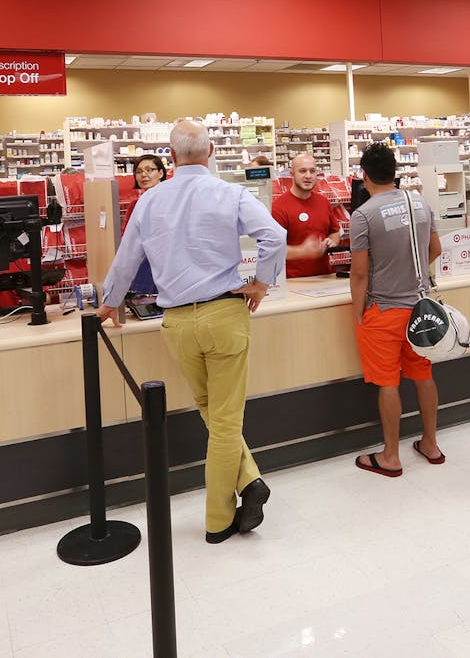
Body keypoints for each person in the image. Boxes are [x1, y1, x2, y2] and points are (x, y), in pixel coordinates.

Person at [99, 120, 285, 544]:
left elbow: (126, 258)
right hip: (225, 316)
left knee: (208, 409)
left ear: (170, 156)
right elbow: (274, 236)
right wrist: (261, 281)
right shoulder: (230, 192)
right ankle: (219, 520)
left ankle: (251, 481)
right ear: (212, 149)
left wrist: (110, 302)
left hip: (177, 323)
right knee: (224, 422)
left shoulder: (149, 201)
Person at [348, 142, 443, 477]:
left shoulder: (363, 216)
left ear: (365, 176)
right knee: (423, 375)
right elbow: (435, 249)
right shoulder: (420, 204)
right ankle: (429, 443)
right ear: (395, 171)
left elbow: (359, 273)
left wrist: (358, 313)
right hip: (419, 309)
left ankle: (391, 455)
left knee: (388, 382)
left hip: (383, 310)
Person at [271, 152, 342, 277]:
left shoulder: (323, 202)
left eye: (312, 171)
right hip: (293, 281)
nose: (308, 176)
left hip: (325, 277)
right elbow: (273, 250)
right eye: (302, 171)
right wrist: (303, 251)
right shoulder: (279, 207)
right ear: (292, 174)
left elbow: (335, 232)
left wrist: (332, 241)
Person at [125, 154, 167, 295]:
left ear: (161, 173)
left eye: (149, 170)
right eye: (139, 171)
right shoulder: (135, 205)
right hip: (144, 264)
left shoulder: (171, 200)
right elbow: (127, 238)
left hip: (168, 262)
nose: (144, 175)